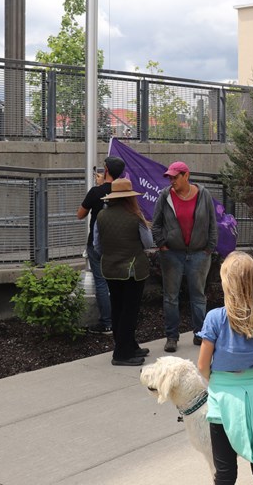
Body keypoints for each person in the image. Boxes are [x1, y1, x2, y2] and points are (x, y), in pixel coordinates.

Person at [198, 252, 253, 485]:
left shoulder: (215, 318)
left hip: (222, 399)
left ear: (227, 283)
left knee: (225, 471)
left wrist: (213, 379)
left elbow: (202, 365)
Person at [152, 161, 218, 353]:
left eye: (175, 177)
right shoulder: (165, 196)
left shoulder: (203, 195)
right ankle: (171, 337)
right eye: (169, 177)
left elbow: (212, 223)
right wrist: (162, 245)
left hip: (199, 253)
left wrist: (209, 248)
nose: (171, 181)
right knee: (170, 297)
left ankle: (200, 334)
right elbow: (156, 224)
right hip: (172, 254)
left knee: (198, 296)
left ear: (186, 175)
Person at [95, 178, 151, 366]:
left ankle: (129, 345)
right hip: (133, 269)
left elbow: (97, 245)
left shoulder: (101, 216)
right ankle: (121, 354)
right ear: (130, 197)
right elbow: (149, 242)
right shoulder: (136, 216)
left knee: (117, 308)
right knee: (130, 311)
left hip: (110, 268)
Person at [77, 156, 126, 335]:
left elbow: (80, 214)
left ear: (106, 170)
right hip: (119, 244)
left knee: (101, 282)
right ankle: (120, 319)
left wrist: (98, 189)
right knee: (118, 282)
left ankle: (107, 323)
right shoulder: (124, 192)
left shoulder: (96, 192)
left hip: (97, 245)